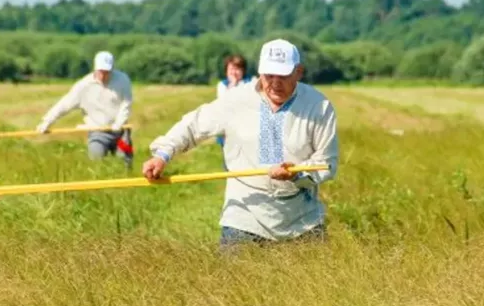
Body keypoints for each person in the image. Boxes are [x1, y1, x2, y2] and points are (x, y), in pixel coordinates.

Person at [142, 39, 338, 247]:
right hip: (244, 216)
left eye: (283, 75)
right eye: (268, 75)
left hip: (302, 220)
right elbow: (194, 124)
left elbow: (327, 163)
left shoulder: (319, 107)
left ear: (298, 72)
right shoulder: (236, 100)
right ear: (259, 72)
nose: (275, 83)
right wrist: (162, 155)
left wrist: (297, 173)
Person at [36, 51, 134, 168]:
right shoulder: (83, 86)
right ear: (95, 69)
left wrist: (119, 123)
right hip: (97, 132)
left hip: (122, 132)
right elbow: (64, 105)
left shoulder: (123, 80)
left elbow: (126, 103)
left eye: (107, 72)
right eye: (100, 72)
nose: (103, 76)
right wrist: (47, 121)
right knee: (96, 162)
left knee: (125, 163)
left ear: (112, 69)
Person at [214, 54, 253, 152]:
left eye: (237, 69)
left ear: (243, 71)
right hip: (228, 128)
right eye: (231, 69)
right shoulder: (222, 86)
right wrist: (233, 85)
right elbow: (224, 103)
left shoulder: (251, 83)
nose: (234, 72)